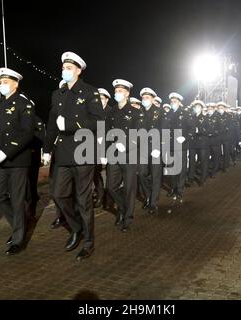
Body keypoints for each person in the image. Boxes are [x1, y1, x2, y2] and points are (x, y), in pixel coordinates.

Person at [43, 52, 105, 260]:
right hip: (63, 154)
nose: (65, 70)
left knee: (83, 199)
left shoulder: (89, 92)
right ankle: (76, 227)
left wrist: (70, 126)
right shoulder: (57, 94)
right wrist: (46, 149)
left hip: (83, 152)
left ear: (78, 70)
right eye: (64, 68)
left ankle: (88, 242)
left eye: (69, 68)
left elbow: (98, 122)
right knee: (59, 194)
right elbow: (52, 125)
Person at [0, 67, 35, 255]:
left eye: (5, 82)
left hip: (17, 160)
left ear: (15, 83)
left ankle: (19, 239)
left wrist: (6, 152)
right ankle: (19, 226)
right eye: (0, 82)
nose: (2, 85)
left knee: (17, 199)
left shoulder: (24, 104)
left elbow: (27, 133)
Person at [104, 79, 143, 231]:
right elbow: (106, 132)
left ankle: (128, 217)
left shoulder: (135, 112)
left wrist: (125, 145)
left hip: (129, 154)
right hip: (113, 154)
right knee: (111, 187)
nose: (117, 93)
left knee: (129, 188)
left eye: (120, 91)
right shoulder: (111, 112)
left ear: (127, 93)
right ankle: (122, 208)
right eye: (116, 91)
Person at [138, 87, 162, 214]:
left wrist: (159, 148)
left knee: (155, 176)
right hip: (143, 148)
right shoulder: (139, 112)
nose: (145, 100)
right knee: (141, 174)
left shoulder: (160, 112)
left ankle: (153, 203)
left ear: (153, 99)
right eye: (143, 98)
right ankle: (148, 196)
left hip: (155, 149)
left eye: (147, 98)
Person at [167, 92, 191, 202]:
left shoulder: (185, 113)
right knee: (172, 168)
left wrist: (184, 137)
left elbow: (191, 128)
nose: (173, 103)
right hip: (171, 145)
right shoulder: (169, 113)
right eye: (171, 101)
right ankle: (173, 188)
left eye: (175, 101)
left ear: (179, 102)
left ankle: (180, 190)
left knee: (181, 168)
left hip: (181, 145)